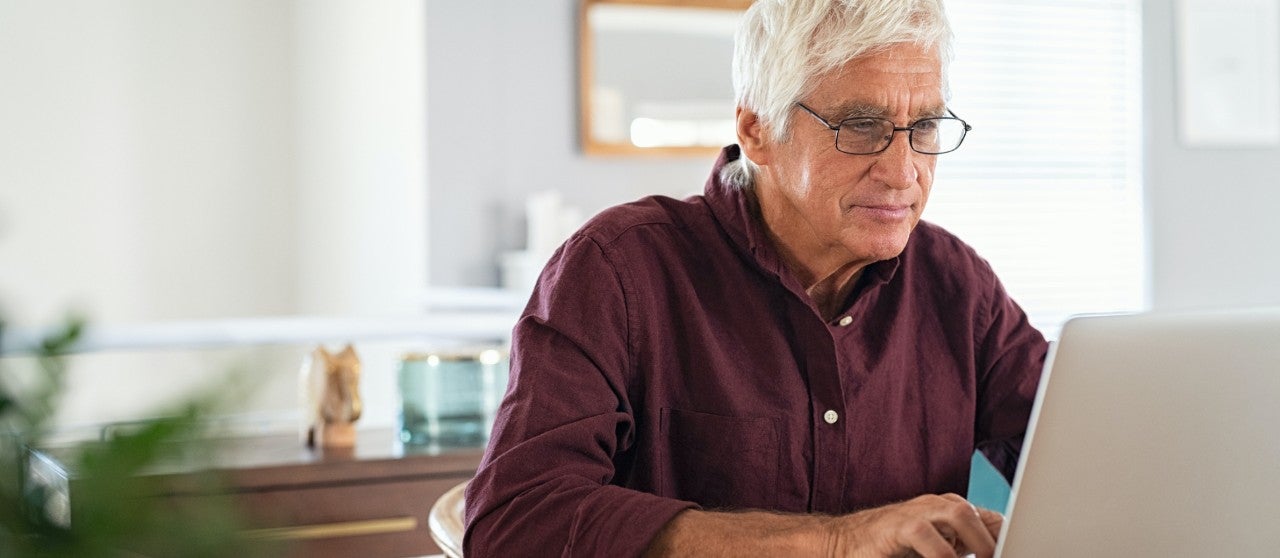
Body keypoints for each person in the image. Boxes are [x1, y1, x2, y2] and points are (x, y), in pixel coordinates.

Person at [464, 0, 1048, 556]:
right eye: (861, 126)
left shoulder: (957, 285)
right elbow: (515, 521)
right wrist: (836, 544)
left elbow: (1084, 447)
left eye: (924, 126)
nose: (903, 172)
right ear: (757, 130)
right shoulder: (616, 270)